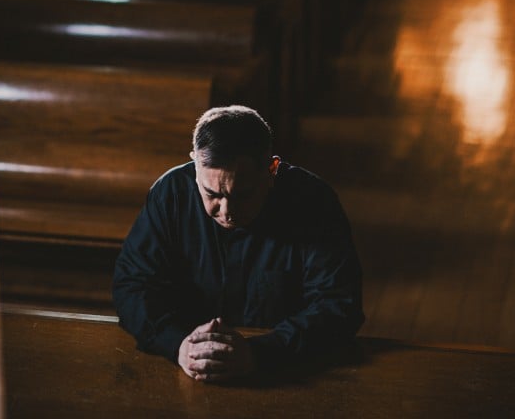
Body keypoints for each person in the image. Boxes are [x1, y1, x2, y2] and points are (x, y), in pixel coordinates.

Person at [113, 105, 363, 382]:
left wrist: (260, 353)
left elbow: (339, 305)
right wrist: (178, 345)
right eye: (212, 194)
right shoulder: (170, 193)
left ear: (272, 169)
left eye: (242, 195)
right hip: (187, 367)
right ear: (195, 162)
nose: (226, 211)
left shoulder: (314, 202)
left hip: (285, 372)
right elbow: (132, 284)